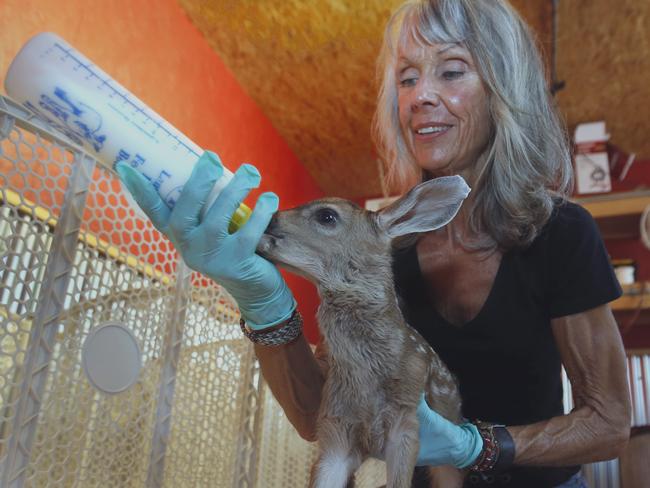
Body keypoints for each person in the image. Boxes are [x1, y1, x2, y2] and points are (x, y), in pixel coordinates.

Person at [116, 0, 631, 486]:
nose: (419, 96)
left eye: (450, 71)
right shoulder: (379, 249)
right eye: (407, 78)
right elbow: (318, 416)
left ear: (503, 89)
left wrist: (479, 448)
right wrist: (263, 304)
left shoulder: (561, 233)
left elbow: (608, 422)